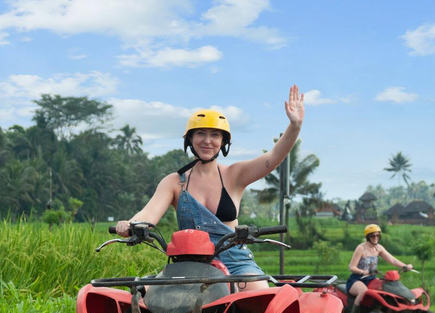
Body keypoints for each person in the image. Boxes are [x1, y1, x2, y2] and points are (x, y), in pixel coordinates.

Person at [116, 85, 305, 290]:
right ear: (190, 139)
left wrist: (294, 126)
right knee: (145, 294)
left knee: (259, 292)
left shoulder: (235, 174)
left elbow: (273, 158)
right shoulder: (174, 182)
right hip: (188, 263)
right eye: (201, 134)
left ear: (223, 141)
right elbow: (148, 215)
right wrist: (130, 224)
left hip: (235, 262)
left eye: (215, 135)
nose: (208, 141)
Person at [344, 224, 413, 313]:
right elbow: (351, 267)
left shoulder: (378, 248)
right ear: (368, 237)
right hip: (357, 279)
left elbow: (392, 260)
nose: (376, 238)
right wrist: (363, 272)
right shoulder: (361, 248)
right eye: (373, 236)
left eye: (378, 235)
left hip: (371, 279)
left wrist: (404, 266)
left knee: (386, 290)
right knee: (364, 292)